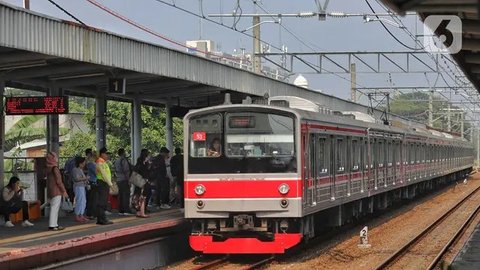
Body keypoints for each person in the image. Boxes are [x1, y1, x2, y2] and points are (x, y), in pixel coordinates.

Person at [46, 152, 68, 231]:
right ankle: (53, 225)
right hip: (56, 190)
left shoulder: (48, 168)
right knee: (55, 208)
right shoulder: (55, 168)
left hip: (50, 190)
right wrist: (64, 191)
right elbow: (59, 181)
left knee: (53, 207)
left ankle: (54, 224)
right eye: (55, 157)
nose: (57, 159)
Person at [95, 147, 114, 225]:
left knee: (103, 201)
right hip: (103, 183)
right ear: (102, 154)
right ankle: (102, 219)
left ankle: (101, 219)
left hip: (103, 183)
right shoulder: (100, 162)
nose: (108, 156)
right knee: (102, 202)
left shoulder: (103, 162)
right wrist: (110, 184)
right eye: (107, 154)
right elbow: (104, 174)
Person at [132, 149, 152, 218]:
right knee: (143, 197)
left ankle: (138, 212)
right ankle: (142, 212)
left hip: (138, 182)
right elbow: (146, 173)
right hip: (143, 182)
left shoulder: (138, 162)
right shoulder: (145, 164)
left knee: (137, 195)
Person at [114, 148, 133, 216]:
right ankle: (126, 210)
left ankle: (121, 210)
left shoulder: (116, 161)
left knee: (121, 195)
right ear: (123, 153)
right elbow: (126, 171)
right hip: (124, 179)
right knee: (126, 195)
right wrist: (129, 180)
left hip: (119, 180)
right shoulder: (124, 160)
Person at [72, 156, 89, 222]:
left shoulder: (80, 169)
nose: (84, 164)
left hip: (82, 186)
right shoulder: (75, 170)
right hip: (78, 187)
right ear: (80, 163)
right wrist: (85, 178)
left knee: (83, 201)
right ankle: (77, 215)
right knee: (79, 201)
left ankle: (81, 214)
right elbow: (76, 179)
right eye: (83, 163)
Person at [85, 149, 98, 220]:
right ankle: (92, 214)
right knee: (93, 199)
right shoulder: (91, 164)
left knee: (91, 198)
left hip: (91, 182)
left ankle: (90, 213)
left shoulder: (90, 163)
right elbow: (96, 173)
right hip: (93, 182)